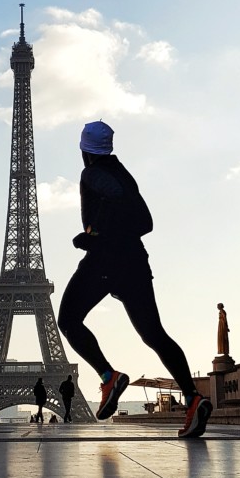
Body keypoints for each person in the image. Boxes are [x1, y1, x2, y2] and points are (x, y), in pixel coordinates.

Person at [57, 120, 213, 439]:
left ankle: (108, 375)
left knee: (69, 320)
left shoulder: (93, 173)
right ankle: (193, 397)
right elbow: (145, 222)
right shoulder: (123, 173)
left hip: (104, 260)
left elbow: (124, 213)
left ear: (85, 149)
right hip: (134, 262)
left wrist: (94, 236)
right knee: (154, 333)